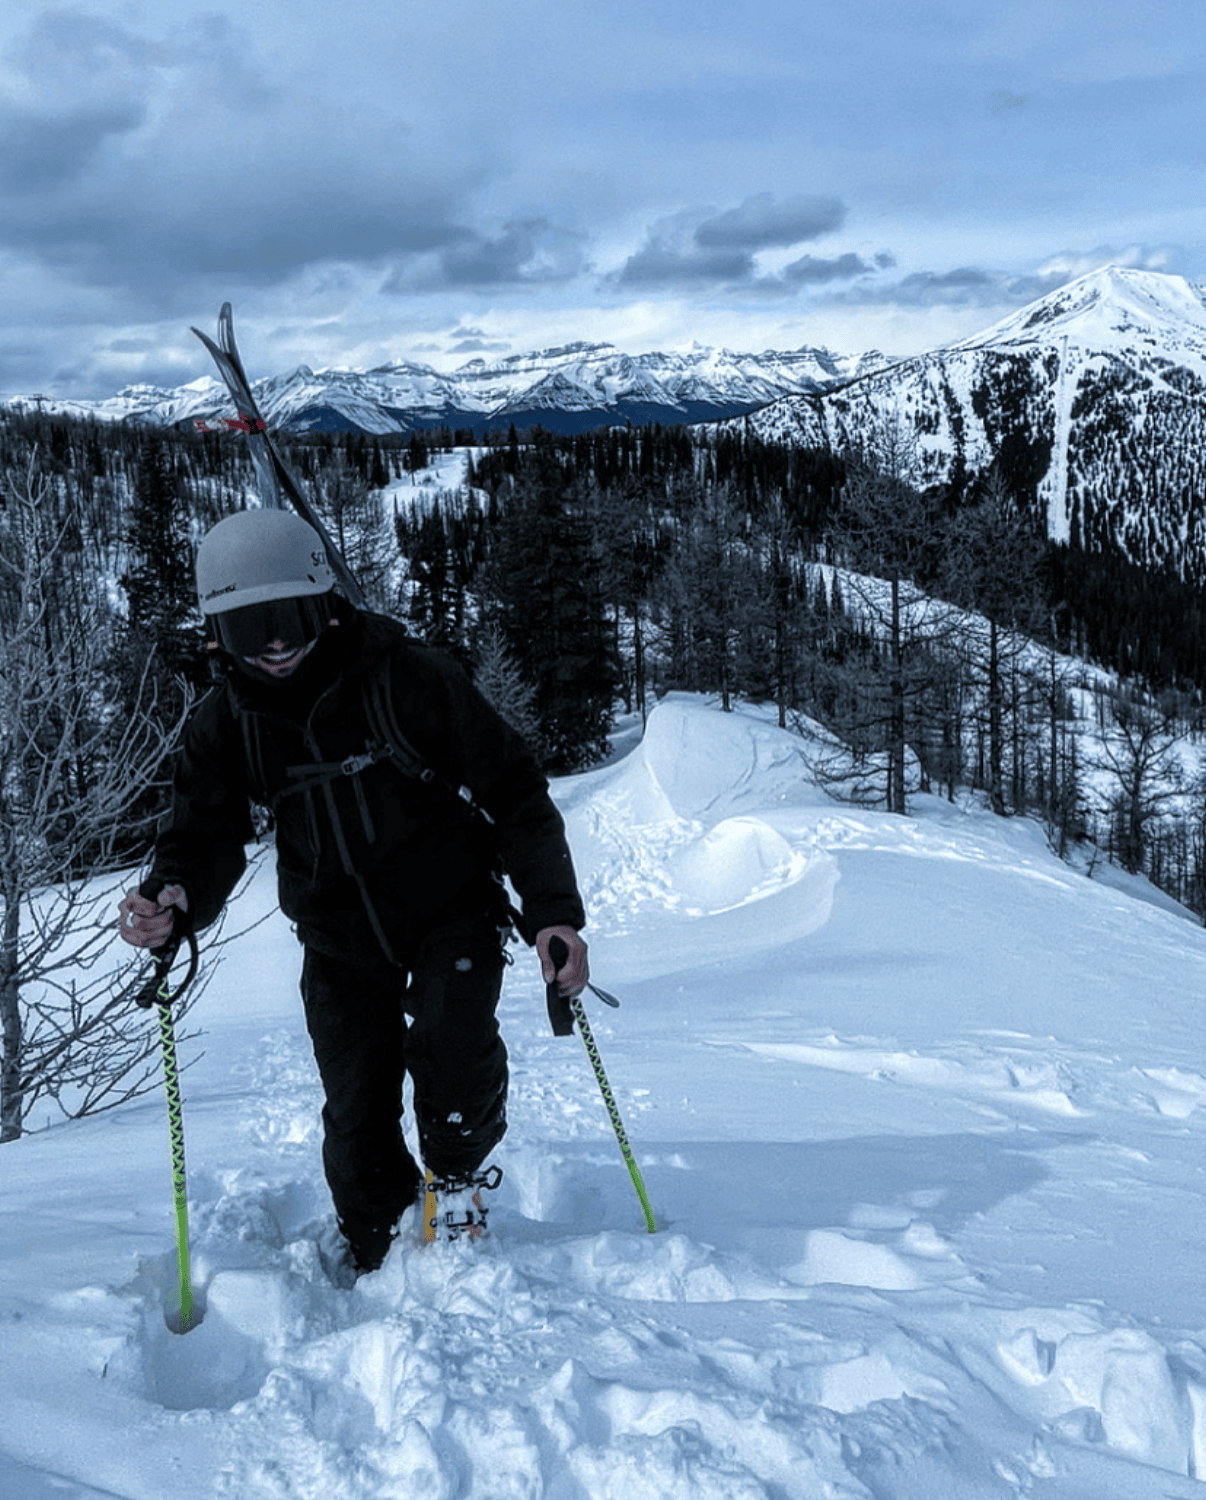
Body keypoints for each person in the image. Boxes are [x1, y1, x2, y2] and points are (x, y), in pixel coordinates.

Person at [119, 507, 589, 1272]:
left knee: (452, 1058)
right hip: (336, 933)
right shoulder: (225, 723)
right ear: (217, 636)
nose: (275, 644)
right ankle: (377, 1246)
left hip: (450, 911)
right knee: (357, 1108)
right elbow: (202, 833)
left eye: (292, 616)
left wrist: (552, 916)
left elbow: (515, 792)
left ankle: (457, 1188)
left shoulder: (410, 680)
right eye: (250, 628)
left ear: (327, 602)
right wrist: (173, 895)